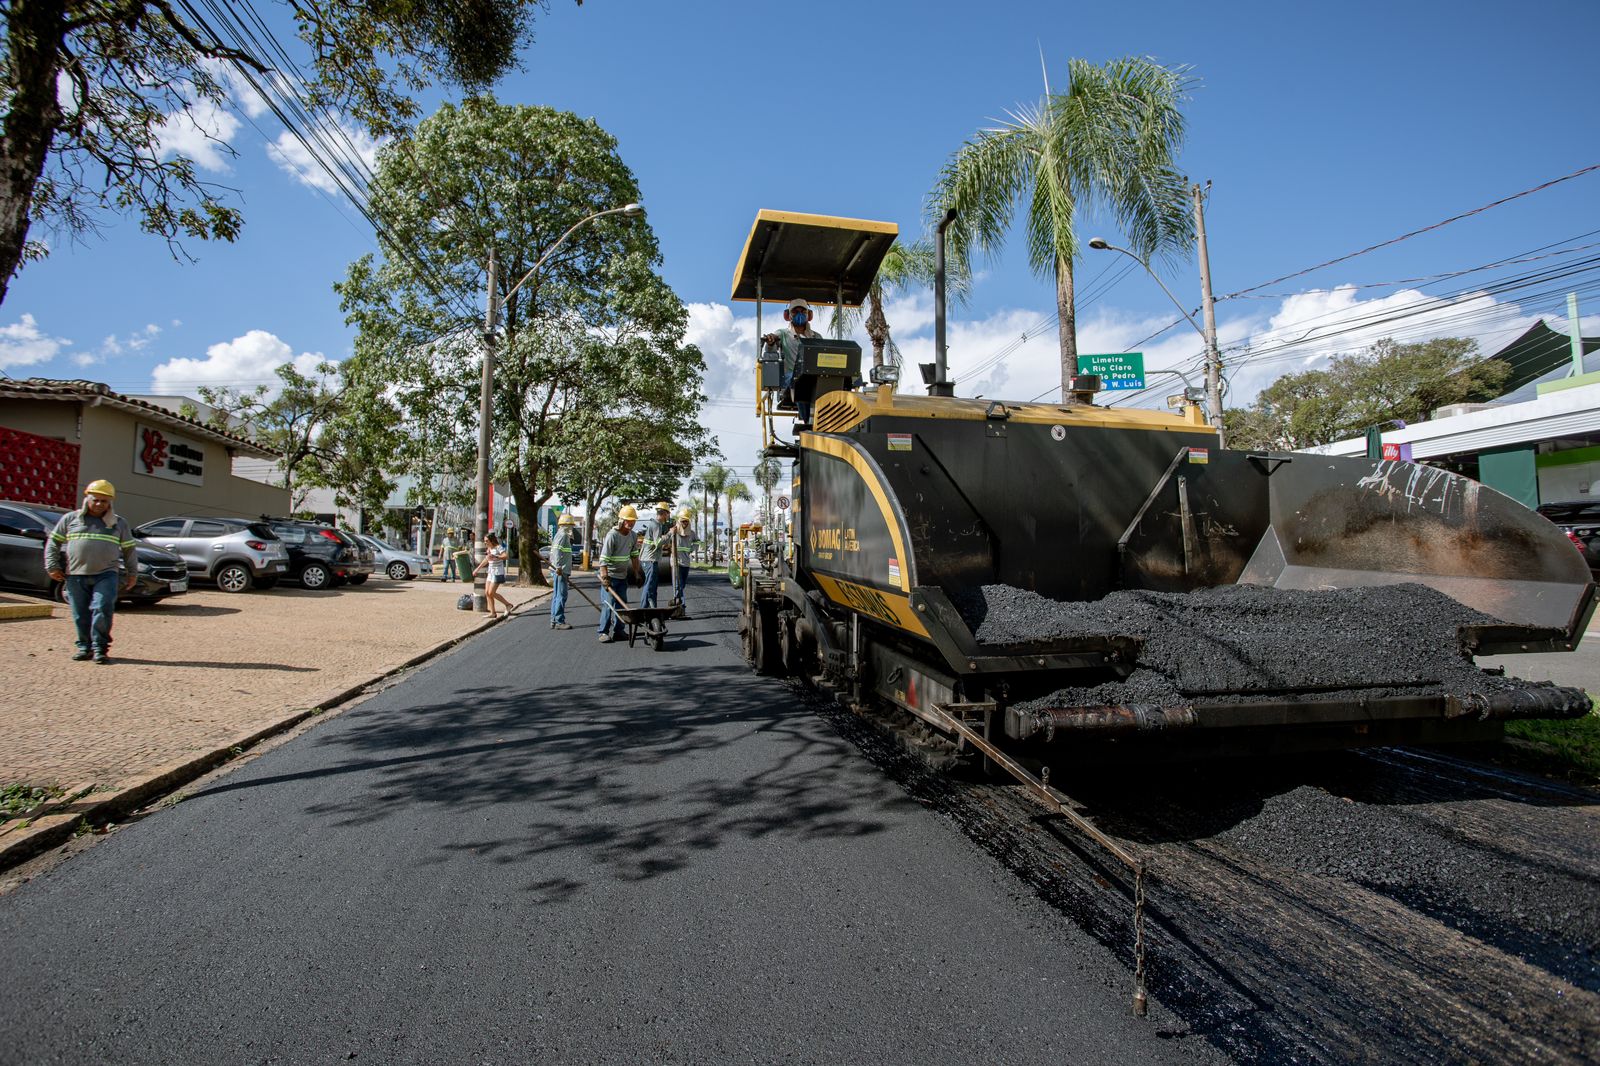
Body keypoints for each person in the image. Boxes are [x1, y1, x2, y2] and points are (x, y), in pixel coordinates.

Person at [44, 479, 137, 664]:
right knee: (80, 613)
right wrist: (52, 565)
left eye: (104, 501)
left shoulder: (119, 523)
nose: (99, 504)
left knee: (103, 608)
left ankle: (99, 648)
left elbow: (129, 550)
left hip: (106, 574)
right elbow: (53, 542)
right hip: (76, 574)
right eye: (96, 500)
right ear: (87, 498)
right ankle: (84, 647)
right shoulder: (71, 519)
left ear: (110, 502)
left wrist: (132, 573)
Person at [761, 296, 822, 409]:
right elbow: (772, 345)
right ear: (788, 315)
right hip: (791, 377)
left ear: (809, 315)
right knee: (801, 382)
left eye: (803, 311)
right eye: (795, 311)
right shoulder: (783, 334)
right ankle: (807, 419)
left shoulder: (816, 337)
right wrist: (771, 341)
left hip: (813, 375)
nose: (799, 314)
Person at [596, 504, 642, 644]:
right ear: (621, 520)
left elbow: (634, 556)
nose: (631, 523)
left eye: (633, 521)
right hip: (610, 576)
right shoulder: (612, 536)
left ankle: (619, 631)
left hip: (622, 576)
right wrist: (605, 578)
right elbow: (603, 560)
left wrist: (637, 573)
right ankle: (603, 632)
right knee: (608, 605)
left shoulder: (633, 536)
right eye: (629, 520)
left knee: (622, 606)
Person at [637, 501, 673, 609]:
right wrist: (670, 533)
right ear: (664, 513)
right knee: (649, 586)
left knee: (652, 587)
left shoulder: (655, 524)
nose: (668, 516)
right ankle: (643, 610)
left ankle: (653, 609)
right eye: (667, 514)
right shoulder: (656, 525)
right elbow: (658, 542)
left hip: (649, 560)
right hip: (650, 560)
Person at [471, 531, 513, 617]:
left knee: (491, 592)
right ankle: (493, 613)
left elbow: (506, 556)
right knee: (487, 592)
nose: (485, 542)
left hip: (497, 572)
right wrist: (477, 569)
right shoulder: (489, 549)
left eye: (487, 541)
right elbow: (486, 560)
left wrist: (496, 557)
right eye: (484, 541)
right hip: (490, 572)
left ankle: (508, 604)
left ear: (492, 540)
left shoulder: (498, 547)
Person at [669, 507, 701, 618]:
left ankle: (678, 604)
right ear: (679, 521)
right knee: (678, 585)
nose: (684, 523)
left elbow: (697, 541)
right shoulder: (674, 531)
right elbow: (666, 539)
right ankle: (681, 606)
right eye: (683, 521)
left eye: (686, 521)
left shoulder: (691, 533)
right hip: (676, 563)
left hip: (686, 563)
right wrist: (670, 534)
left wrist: (692, 549)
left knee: (682, 586)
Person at [549, 512, 578, 630]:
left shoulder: (560, 535)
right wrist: (559, 567)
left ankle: (554, 620)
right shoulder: (563, 535)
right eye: (571, 525)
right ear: (566, 525)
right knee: (561, 595)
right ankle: (559, 621)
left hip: (559, 570)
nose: (572, 527)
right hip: (560, 570)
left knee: (557, 595)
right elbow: (556, 552)